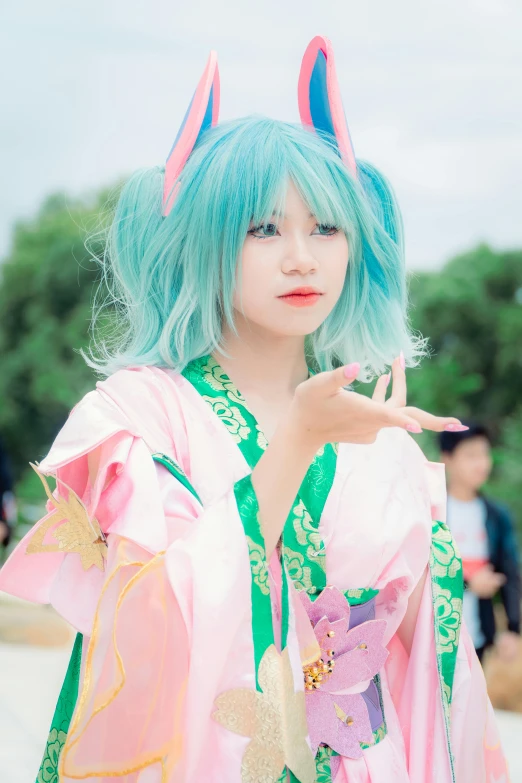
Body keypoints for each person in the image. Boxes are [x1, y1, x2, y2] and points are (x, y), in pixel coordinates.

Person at [0, 36, 509, 783]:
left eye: (326, 226)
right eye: (263, 228)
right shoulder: (139, 417)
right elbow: (144, 632)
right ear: (206, 242)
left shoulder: (387, 443)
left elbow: (433, 682)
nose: (301, 255)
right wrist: (297, 441)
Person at [440, 421, 520, 665]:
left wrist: (513, 628)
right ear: (447, 459)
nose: (482, 463)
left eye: (485, 454)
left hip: (478, 635)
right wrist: (470, 584)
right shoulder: (433, 512)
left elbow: (509, 570)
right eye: (471, 455)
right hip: (435, 634)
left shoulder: (496, 515)